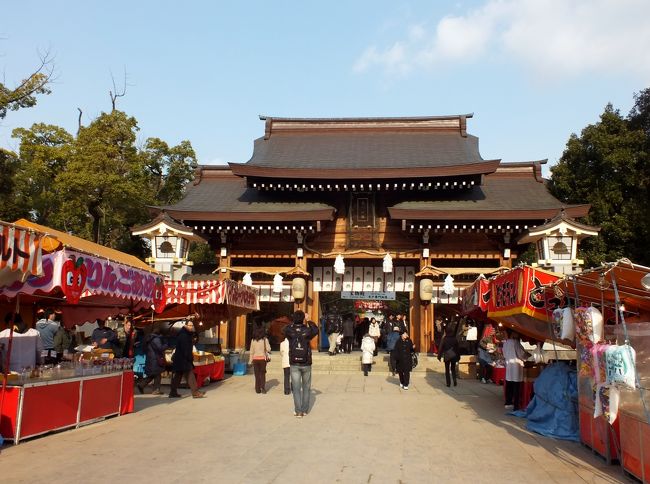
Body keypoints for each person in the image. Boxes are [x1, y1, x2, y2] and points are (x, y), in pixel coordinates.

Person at [284, 310, 318, 417]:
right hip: (306, 362)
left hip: (294, 362)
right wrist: (308, 320)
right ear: (303, 318)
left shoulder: (290, 330)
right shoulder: (307, 331)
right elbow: (316, 330)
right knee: (306, 387)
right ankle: (304, 410)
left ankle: (298, 411)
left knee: (296, 388)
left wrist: (293, 322)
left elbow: (283, 329)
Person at [169, 320, 205, 399]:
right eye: (190, 325)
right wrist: (190, 358)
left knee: (178, 376)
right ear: (185, 326)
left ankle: (173, 392)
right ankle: (195, 392)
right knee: (190, 375)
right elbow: (186, 349)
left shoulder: (186, 334)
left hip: (180, 359)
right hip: (183, 359)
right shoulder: (184, 335)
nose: (191, 327)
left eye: (192, 325)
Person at [502, 331, 529, 410]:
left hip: (509, 365)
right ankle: (516, 405)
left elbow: (504, 354)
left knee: (509, 385)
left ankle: (508, 402)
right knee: (516, 386)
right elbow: (521, 354)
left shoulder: (506, 343)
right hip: (516, 366)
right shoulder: (516, 343)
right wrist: (527, 355)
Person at [138, 327, 167, 395]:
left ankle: (141, 385)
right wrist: (166, 345)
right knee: (157, 374)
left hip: (150, 358)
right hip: (155, 359)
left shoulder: (148, 338)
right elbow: (160, 348)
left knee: (153, 374)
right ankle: (156, 390)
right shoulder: (156, 339)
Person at [248, 326, 271, 394]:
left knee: (257, 375)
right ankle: (263, 388)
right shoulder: (265, 340)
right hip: (262, 359)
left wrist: (250, 361)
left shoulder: (253, 340)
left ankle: (257, 389)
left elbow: (251, 351)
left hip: (255, 359)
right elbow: (268, 349)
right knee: (262, 374)